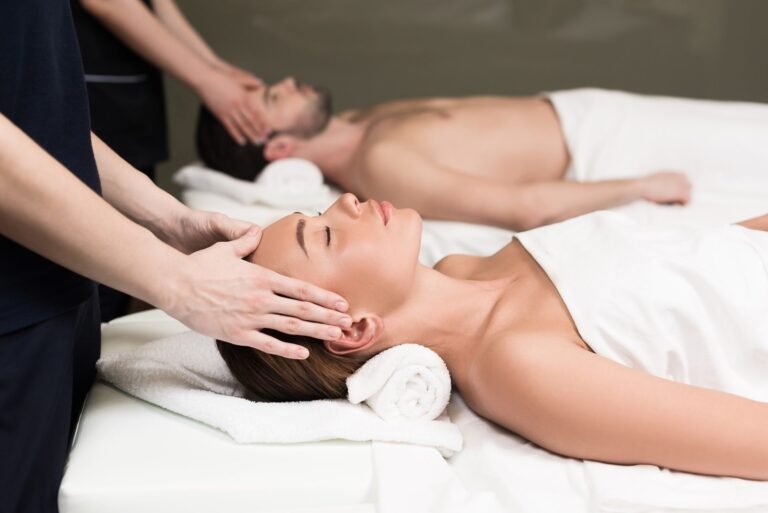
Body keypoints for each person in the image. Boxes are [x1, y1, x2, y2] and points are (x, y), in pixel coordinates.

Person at [0, 2, 349, 511]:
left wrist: (169, 220)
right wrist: (174, 281)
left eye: (325, 236)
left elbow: (37, 110)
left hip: (61, 285)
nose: (346, 204)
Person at [217, 192, 768, 481]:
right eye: (327, 234)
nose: (347, 202)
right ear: (355, 328)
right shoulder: (520, 370)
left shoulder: (467, 266)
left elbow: (704, 253)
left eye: (318, 212)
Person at [195, 78, 695, 230]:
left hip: (595, 112)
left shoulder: (366, 120)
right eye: (272, 99)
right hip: (612, 152)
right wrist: (641, 186)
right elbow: (524, 208)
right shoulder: (382, 163)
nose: (285, 83)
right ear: (280, 146)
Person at [72, 0, 269, 320]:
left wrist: (215, 70)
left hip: (124, 104)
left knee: (105, 301)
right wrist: (206, 77)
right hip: (94, 93)